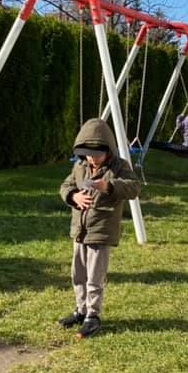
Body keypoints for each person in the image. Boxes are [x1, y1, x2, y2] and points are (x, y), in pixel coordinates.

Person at [58, 118, 142, 339]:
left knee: (94, 276)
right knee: (78, 273)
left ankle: (92, 316)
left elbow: (134, 188)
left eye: (96, 154)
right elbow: (66, 185)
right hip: (80, 230)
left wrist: (109, 186)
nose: (92, 158)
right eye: (87, 154)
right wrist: (73, 196)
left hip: (101, 231)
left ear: (108, 150)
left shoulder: (119, 166)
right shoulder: (80, 166)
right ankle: (81, 310)